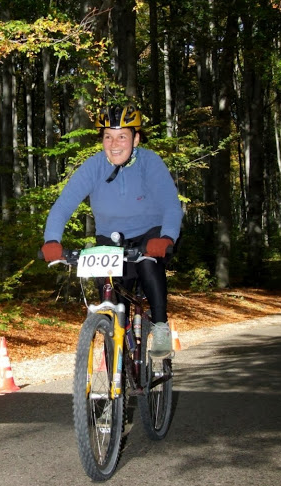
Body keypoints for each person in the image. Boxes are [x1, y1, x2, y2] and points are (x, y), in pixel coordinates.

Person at [41, 105, 183, 356]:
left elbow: (171, 204)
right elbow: (63, 205)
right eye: (108, 136)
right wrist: (52, 240)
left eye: (122, 137)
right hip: (110, 239)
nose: (114, 144)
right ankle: (116, 351)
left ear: (136, 139)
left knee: (149, 264)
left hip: (151, 235)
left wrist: (167, 237)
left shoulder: (149, 162)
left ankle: (160, 327)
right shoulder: (94, 166)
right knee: (109, 295)